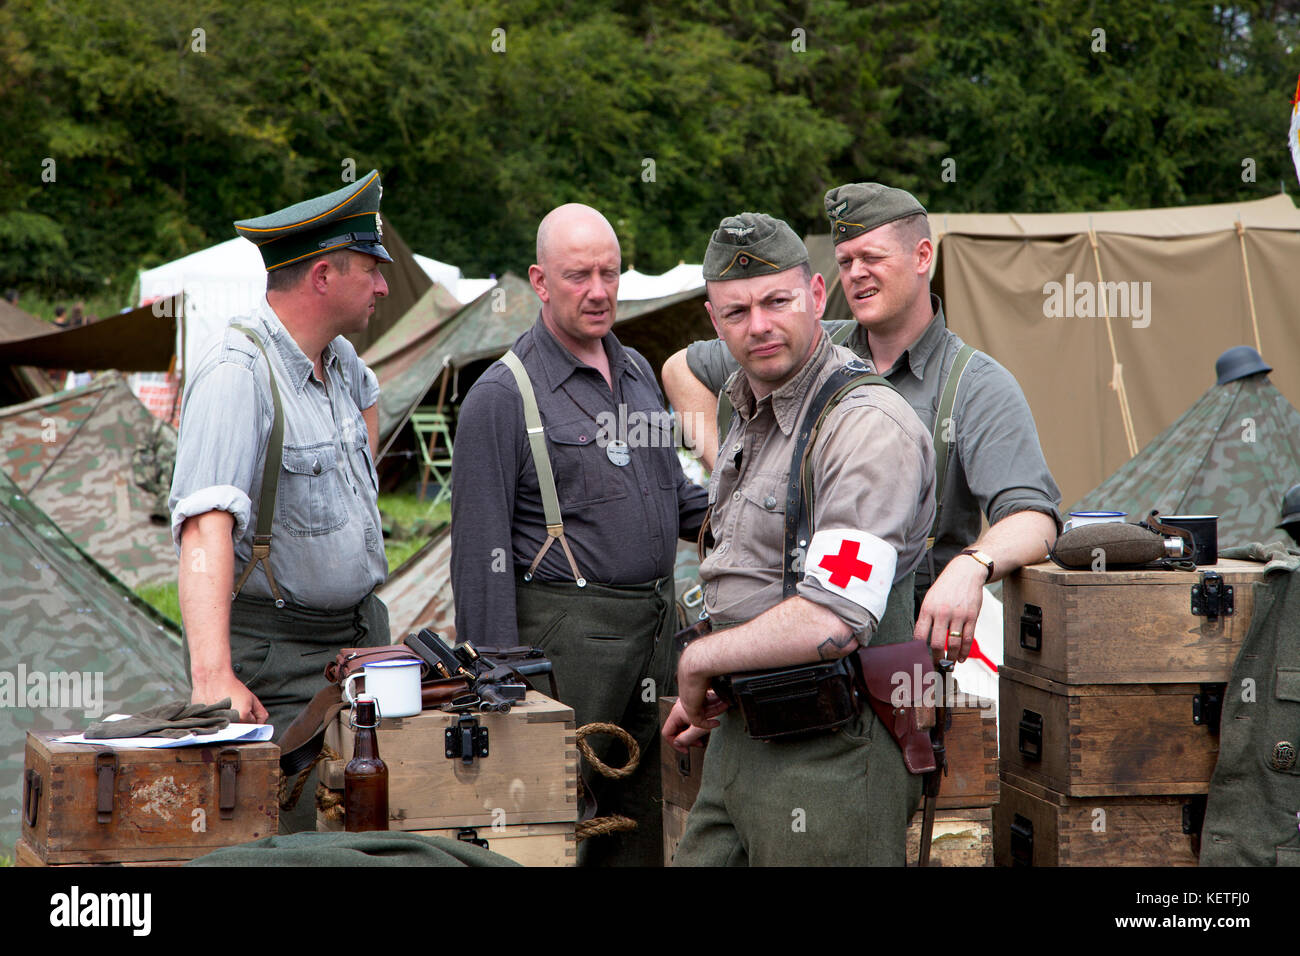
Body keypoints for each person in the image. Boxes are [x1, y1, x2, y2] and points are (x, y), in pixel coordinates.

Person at [663, 183, 1061, 662]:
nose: (856, 274)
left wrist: (971, 565)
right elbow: (680, 369)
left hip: (897, 649)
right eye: (845, 261)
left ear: (922, 257)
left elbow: (1035, 517)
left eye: (871, 256)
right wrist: (734, 473)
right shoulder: (804, 346)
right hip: (777, 635)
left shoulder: (975, 384)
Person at [662, 212, 935, 865]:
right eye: (736, 312)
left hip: (833, 753)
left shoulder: (864, 427)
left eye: (776, 301)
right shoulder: (749, 408)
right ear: (713, 321)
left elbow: (837, 616)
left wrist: (701, 662)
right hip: (740, 736)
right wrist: (716, 682)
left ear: (816, 297)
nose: (758, 325)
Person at [450, 203, 709, 866]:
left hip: (652, 641)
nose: (598, 290)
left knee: (634, 829)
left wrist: (759, 514)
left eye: (609, 272)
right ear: (539, 282)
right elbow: (481, 559)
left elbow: (676, 498)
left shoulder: (637, 373)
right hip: (565, 655)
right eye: (578, 276)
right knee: (547, 831)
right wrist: (501, 690)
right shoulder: (501, 396)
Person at [169, 170, 393, 832]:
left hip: (355, 646)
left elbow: (370, 410)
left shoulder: (341, 360)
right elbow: (204, 530)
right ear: (323, 277)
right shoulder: (239, 373)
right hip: (283, 662)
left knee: (373, 835)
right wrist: (212, 678)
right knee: (297, 844)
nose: (384, 285)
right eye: (371, 269)